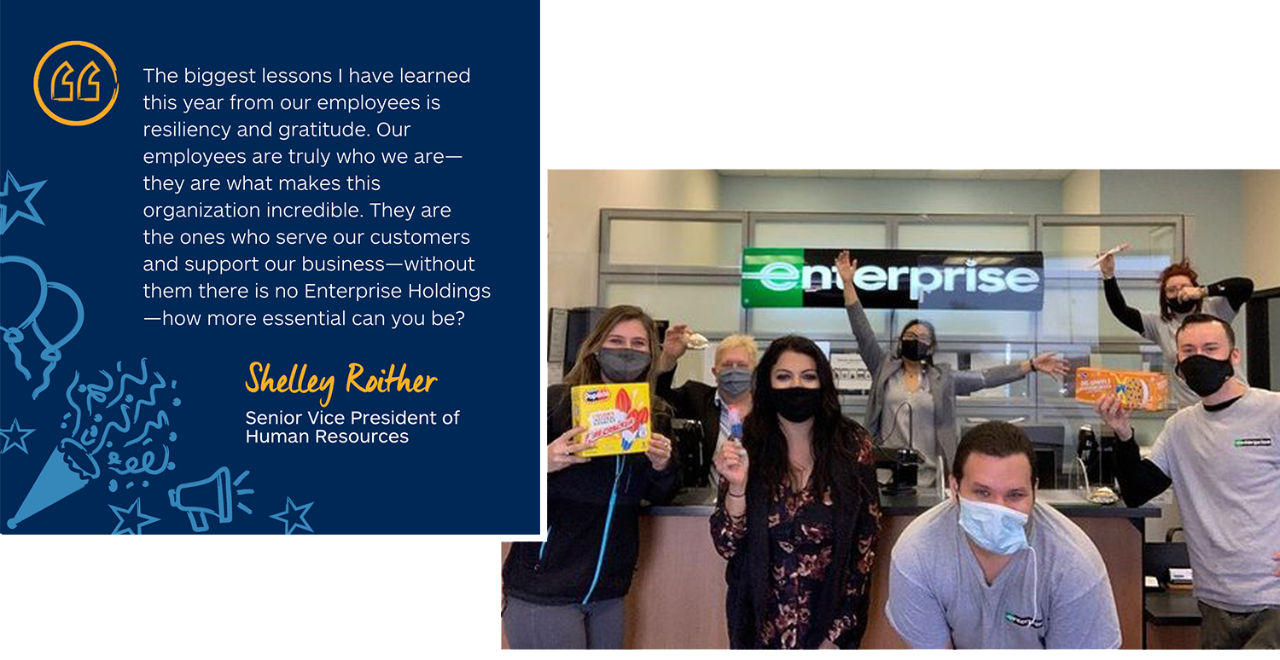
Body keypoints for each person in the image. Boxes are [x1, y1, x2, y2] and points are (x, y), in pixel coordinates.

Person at [1094, 313, 1280, 650]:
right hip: (1214, 598)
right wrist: (1122, 434)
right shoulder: (1180, 427)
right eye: (1189, 351)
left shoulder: (1273, 411)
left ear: (1233, 355)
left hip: (1273, 599)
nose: (1199, 358)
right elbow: (1138, 492)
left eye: (1211, 348)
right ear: (1177, 360)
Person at [503, 305, 680, 650]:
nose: (626, 350)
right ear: (596, 347)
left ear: (651, 354)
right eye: (616, 340)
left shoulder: (653, 414)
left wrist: (663, 466)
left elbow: (662, 493)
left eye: (638, 343)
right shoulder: (553, 402)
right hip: (547, 587)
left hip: (608, 592)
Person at [836, 250, 1069, 486]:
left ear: (931, 347)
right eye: (910, 335)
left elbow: (984, 378)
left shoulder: (942, 378)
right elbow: (862, 332)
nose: (915, 340)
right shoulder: (883, 368)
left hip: (929, 477)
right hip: (884, 475)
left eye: (923, 338)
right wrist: (848, 284)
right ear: (900, 342)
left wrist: (1029, 365)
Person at [885, 421, 1121, 649]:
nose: (999, 508)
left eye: (1015, 494)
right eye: (982, 493)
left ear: (1035, 491)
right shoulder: (917, 554)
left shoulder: (1073, 565)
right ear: (954, 488)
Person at [710, 335, 881, 650]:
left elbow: (864, 549)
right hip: (759, 627)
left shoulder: (853, 444)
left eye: (808, 376)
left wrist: (837, 636)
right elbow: (727, 544)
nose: (796, 386)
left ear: (823, 383)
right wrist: (737, 487)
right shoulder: (746, 443)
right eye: (784, 377)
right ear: (767, 383)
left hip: (830, 626)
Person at [1098, 254, 1253, 408]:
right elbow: (1121, 311)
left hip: (1236, 403)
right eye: (1172, 290)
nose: (1179, 293)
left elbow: (1245, 286)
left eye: (1184, 287)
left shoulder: (1215, 308)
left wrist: (1203, 292)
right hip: (1192, 411)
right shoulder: (1159, 323)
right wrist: (1108, 275)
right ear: (1165, 297)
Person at [655, 326, 757, 487]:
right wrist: (668, 357)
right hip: (707, 504)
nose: (734, 371)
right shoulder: (695, 397)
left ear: (755, 372)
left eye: (742, 366)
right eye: (727, 365)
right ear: (715, 372)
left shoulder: (770, 409)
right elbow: (659, 395)